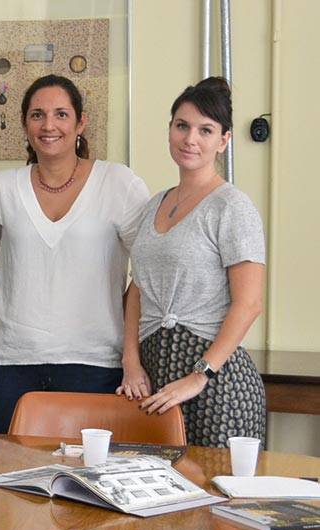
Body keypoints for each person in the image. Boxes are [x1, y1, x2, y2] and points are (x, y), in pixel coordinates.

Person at [0, 74, 150, 434]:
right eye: (37, 115)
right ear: (24, 124)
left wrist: (129, 353)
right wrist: (24, 291)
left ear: (81, 122)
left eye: (61, 114)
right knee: (11, 480)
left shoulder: (119, 184)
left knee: (84, 481)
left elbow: (148, 271)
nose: (49, 125)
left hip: (95, 363)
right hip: (11, 366)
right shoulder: (1, 187)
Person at [117, 78, 266, 448]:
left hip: (217, 385)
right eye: (182, 126)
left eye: (206, 130)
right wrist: (131, 362)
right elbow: (139, 287)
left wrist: (200, 375)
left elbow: (249, 303)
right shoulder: (155, 204)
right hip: (155, 376)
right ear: (169, 129)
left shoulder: (232, 207)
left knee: (214, 496)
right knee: (154, 495)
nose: (190, 139)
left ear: (224, 141)